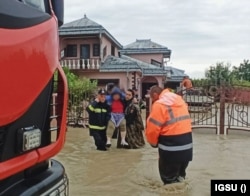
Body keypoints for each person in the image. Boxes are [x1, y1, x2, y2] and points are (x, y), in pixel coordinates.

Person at [145, 85, 193, 185]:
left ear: (155, 94)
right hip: (187, 147)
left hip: (170, 149)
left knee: (169, 182)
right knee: (180, 178)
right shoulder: (179, 100)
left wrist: (153, 143)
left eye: (152, 98)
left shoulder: (159, 104)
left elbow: (152, 129)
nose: (153, 101)